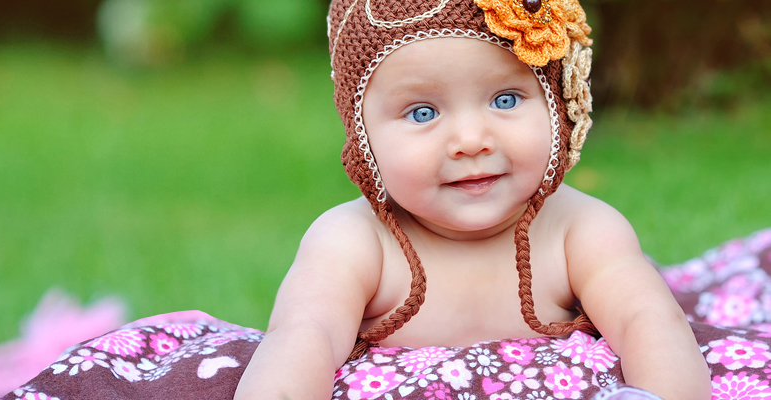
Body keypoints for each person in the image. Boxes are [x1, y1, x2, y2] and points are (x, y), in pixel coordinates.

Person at [234, 0, 710, 398]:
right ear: (362, 135)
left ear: (554, 106)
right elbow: (301, 337)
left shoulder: (578, 228)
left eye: (505, 100)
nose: (470, 140)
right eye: (422, 112)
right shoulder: (354, 241)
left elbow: (649, 321)